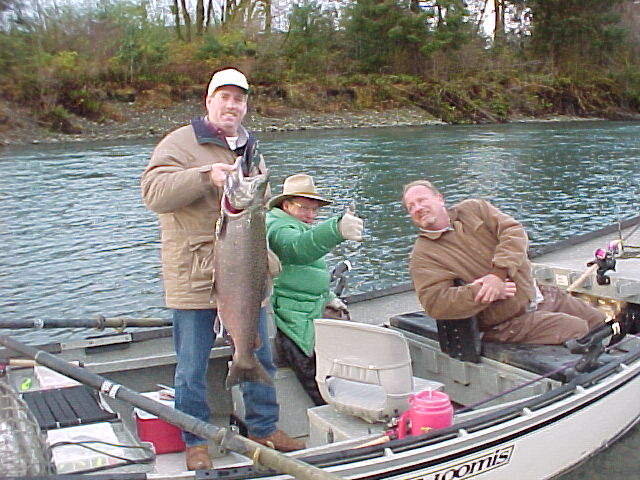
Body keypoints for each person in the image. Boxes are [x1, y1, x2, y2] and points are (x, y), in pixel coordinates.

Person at [141, 67, 303, 471]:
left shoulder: (252, 149)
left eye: (239, 99)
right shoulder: (179, 143)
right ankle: (195, 440)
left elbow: (258, 210)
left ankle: (264, 427)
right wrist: (204, 176)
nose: (232, 105)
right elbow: (153, 194)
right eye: (224, 97)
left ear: (246, 106)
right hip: (193, 276)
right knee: (191, 368)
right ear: (208, 101)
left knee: (258, 356)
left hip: (246, 275)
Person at [402, 180, 606, 344]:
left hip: (539, 295)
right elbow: (436, 304)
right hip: (506, 323)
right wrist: (485, 293)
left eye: (421, 200)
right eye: (411, 207)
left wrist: (497, 275)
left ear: (439, 198)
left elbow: (514, 232)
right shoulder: (423, 256)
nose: (418, 208)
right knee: (578, 329)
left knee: (599, 321)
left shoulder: (474, 209)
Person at [266, 174, 364, 405]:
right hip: (292, 326)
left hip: (308, 314)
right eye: (304, 208)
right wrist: (336, 230)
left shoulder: (294, 224)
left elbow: (303, 273)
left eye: (315, 210)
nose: (311, 215)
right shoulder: (277, 226)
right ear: (286, 205)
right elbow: (296, 250)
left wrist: (328, 297)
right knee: (322, 388)